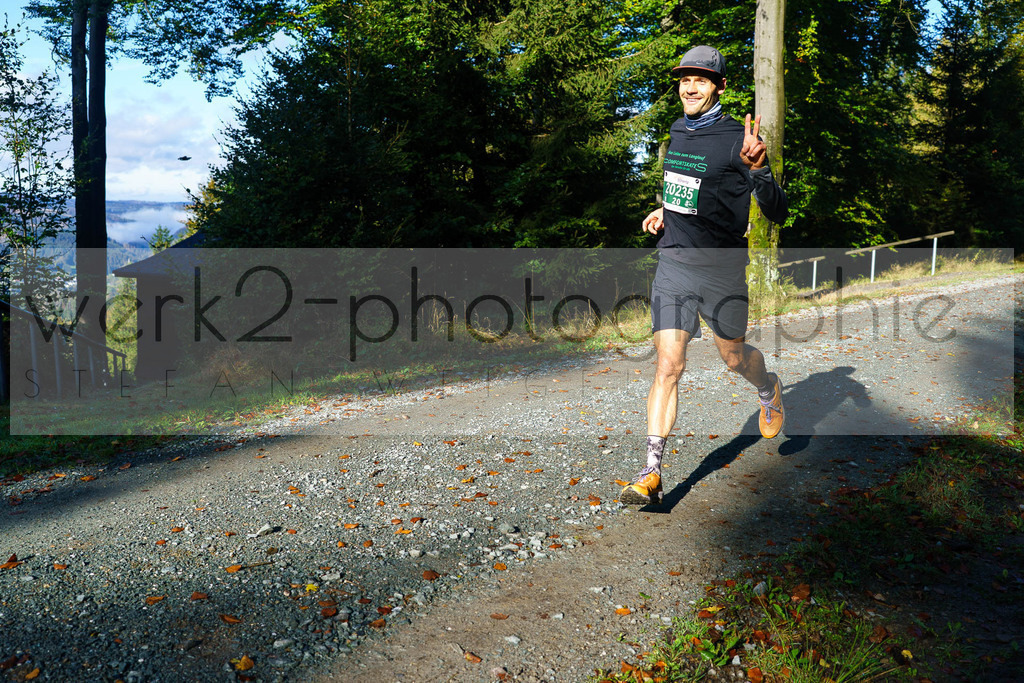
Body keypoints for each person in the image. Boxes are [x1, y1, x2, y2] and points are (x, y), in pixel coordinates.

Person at [620, 45, 788, 506]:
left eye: (700, 79)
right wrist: (665, 209)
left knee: (733, 358)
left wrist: (760, 170)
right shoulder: (677, 129)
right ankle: (651, 472)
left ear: (719, 86)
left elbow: (777, 210)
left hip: (722, 270)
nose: (689, 87)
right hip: (674, 263)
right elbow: (690, 186)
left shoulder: (739, 139)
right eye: (683, 79)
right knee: (668, 365)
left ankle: (768, 386)